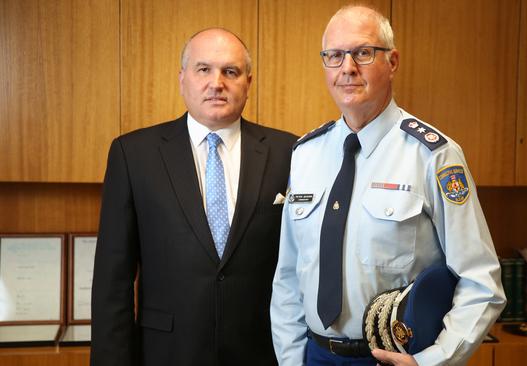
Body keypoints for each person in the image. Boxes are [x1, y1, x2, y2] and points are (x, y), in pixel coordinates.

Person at [270, 5, 505, 366]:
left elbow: (480, 281)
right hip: (313, 355)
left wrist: (432, 361)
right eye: (334, 56)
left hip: (394, 360)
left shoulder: (433, 156)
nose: (347, 68)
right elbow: (288, 275)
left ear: (392, 62)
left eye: (363, 53)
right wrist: (291, 359)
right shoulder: (305, 154)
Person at [91, 28, 296, 366]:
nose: (217, 82)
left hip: (262, 353)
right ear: (182, 78)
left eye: (230, 71)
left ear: (248, 82)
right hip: (166, 353)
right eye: (204, 69)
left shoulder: (289, 151)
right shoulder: (134, 154)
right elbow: (113, 280)